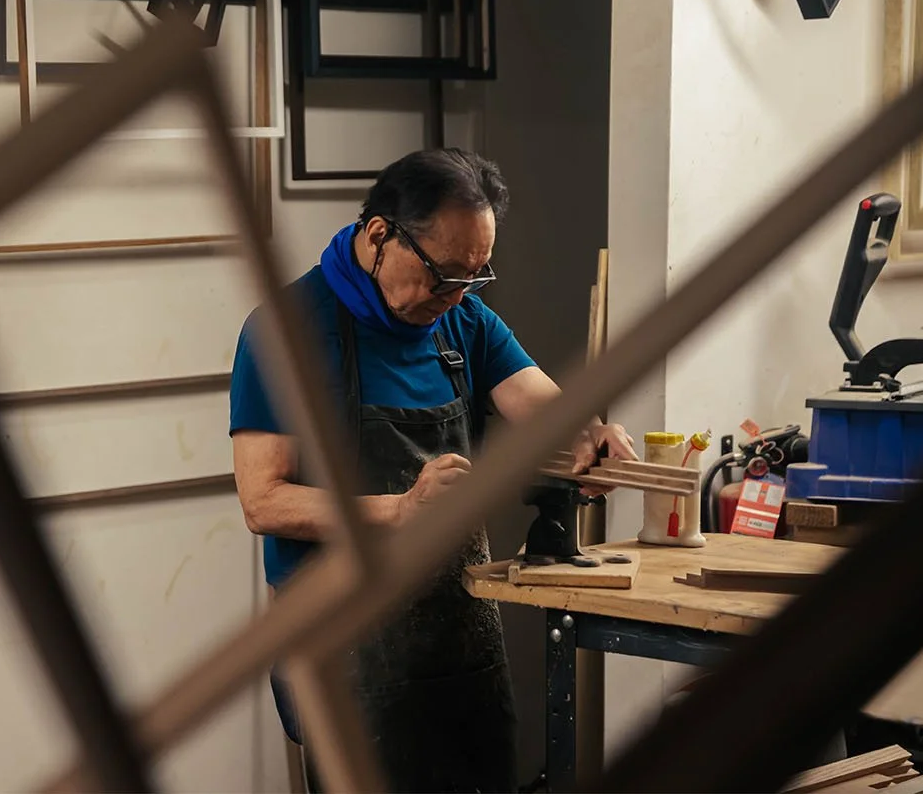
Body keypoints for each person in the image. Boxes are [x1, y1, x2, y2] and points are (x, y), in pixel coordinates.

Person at [228, 148, 637, 793]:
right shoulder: (286, 332)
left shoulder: (463, 320)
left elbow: (547, 410)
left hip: (458, 633)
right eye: (442, 275)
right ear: (379, 234)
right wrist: (399, 510)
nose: (453, 296)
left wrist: (592, 441)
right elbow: (264, 502)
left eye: (474, 277)